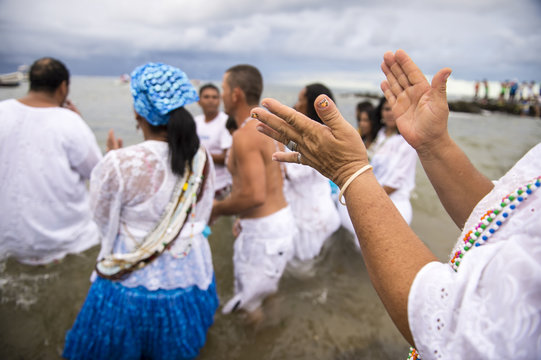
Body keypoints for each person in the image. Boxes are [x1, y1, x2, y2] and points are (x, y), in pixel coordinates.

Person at [253, 49, 541, 359]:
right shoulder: (381, 136)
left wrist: (349, 172)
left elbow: (459, 325)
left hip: (379, 205)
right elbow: (504, 217)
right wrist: (434, 143)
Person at [63, 63, 218, 360]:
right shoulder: (202, 157)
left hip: (131, 275)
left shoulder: (120, 162)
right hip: (188, 267)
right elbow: (202, 211)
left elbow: (101, 217)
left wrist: (111, 158)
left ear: (138, 112)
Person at [211, 64, 296, 317]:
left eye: (224, 89)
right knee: (267, 292)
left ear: (236, 93)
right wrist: (240, 216)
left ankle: (257, 345)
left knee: (248, 306)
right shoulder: (269, 128)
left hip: (263, 234)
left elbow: (253, 195)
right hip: (280, 222)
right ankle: (274, 339)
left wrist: (215, 208)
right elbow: (271, 181)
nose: (222, 95)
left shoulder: (245, 135)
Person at [0, 57, 102, 265]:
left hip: (6, 240)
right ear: (63, 87)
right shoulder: (70, 122)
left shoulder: (2, 111)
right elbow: (97, 173)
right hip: (63, 242)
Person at [284, 83, 340, 275]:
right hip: (320, 208)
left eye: (301, 100)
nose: (297, 104)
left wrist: (276, 142)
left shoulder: (314, 138)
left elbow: (293, 174)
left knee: (305, 270)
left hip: (309, 214)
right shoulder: (323, 132)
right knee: (320, 262)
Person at [194, 83, 233, 199]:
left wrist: (200, 155)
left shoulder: (225, 122)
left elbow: (227, 157)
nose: (210, 100)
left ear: (220, 100)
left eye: (214, 97)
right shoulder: (196, 122)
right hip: (198, 186)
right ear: (198, 101)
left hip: (220, 187)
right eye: (206, 97)